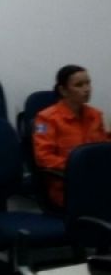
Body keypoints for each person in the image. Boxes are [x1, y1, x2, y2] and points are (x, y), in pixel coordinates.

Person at [34, 65, 109, 207]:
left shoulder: (95, 115)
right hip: (67, 185)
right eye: (79, 85)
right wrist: (78, 167)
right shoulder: (47, 118)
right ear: (63, 90)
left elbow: (103, 147)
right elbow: (44, 158)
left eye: (88, 83)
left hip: (97, 180)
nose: (87, 89)